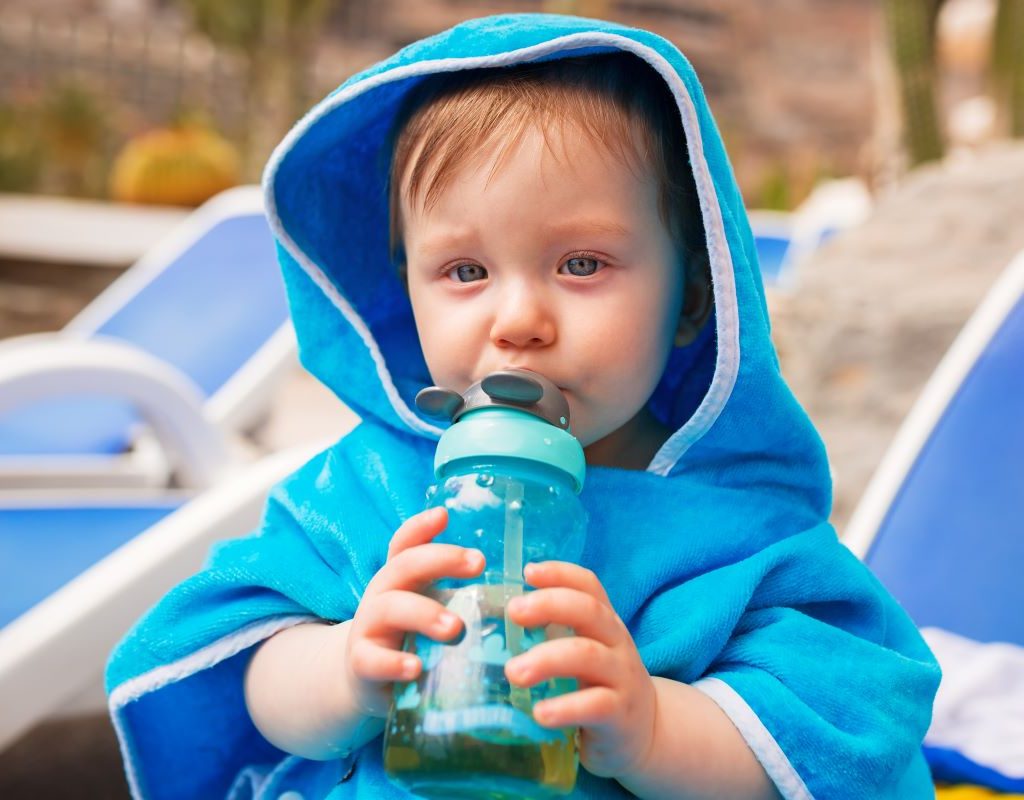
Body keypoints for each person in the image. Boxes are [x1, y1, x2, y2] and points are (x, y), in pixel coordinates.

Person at [106, 13, 940, 800]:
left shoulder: (738, 528)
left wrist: (654, 729)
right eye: (465, 272)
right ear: (405, 298)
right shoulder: (365, 486)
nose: (517, 323)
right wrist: (342, 668)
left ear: (693, 298)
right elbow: (244, 662)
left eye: (580, 264)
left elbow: (829, 730)